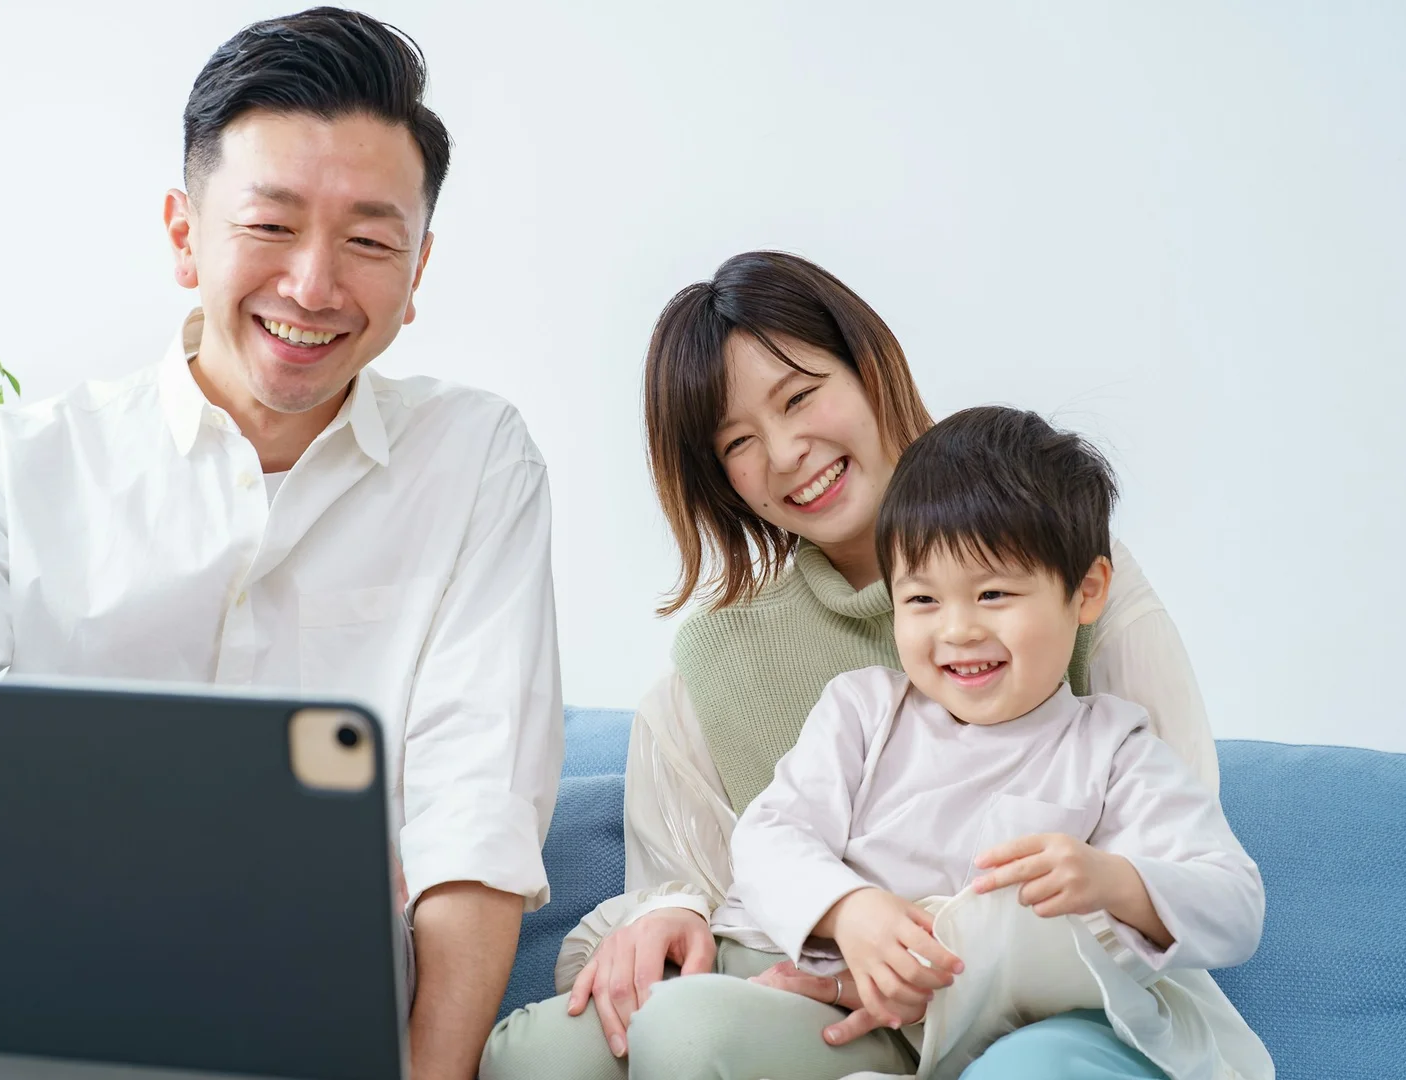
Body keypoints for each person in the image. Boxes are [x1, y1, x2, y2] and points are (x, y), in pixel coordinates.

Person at [0, 10, 561, 1080]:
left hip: (316, 1018)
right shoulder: (12, 471)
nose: (313, 286)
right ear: (184, 235)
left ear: (417, 270)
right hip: (24, 994)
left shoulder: (475, 460)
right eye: (270, 225)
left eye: (368, 242)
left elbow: (476, 815)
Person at [481, 251, 1218, 1080]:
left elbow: (1175, 845)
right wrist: (669, 913)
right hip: (799, 976)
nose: (786, 452)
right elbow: (711, 878)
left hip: (1028, 993)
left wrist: (922, 962)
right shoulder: (719, 670)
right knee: (539, 1057)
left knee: (700, 1038)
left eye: (799, 396)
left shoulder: (1065, 568)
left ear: (871, 368)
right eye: (738, 442)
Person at [705, 405, 1270, 1079]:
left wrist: (1113, 880)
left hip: (1031, 1033)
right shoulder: (862, 711)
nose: (958, 631)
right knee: (690, 1029)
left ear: (1087, 590)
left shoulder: (1113, 748)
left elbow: (1235, 904)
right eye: (922, 600)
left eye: (994, 593)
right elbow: (769, 837)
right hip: (871, 1022)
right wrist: (848, 910)